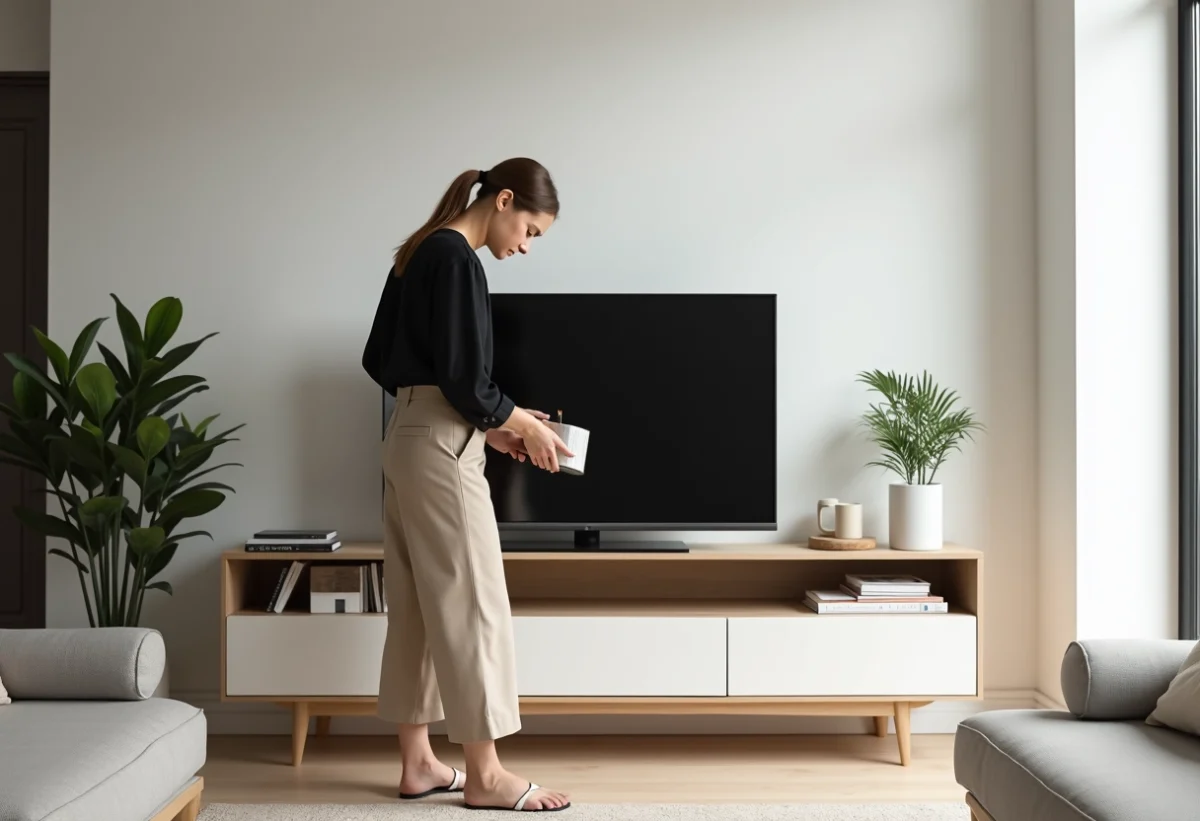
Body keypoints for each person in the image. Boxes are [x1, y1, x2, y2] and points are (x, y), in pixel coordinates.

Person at [361, 157, 575, 812]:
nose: (526, 246)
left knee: (418, 609)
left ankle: (419, 763)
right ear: (503, 200)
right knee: (474, 604)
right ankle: (485, 774)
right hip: (441, 444)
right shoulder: (458, 259)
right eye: (530, 230)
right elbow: (465, 379)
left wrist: (490, 425)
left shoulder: (418, 251)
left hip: (406, 435)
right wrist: (519, 423)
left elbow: (378, 359)